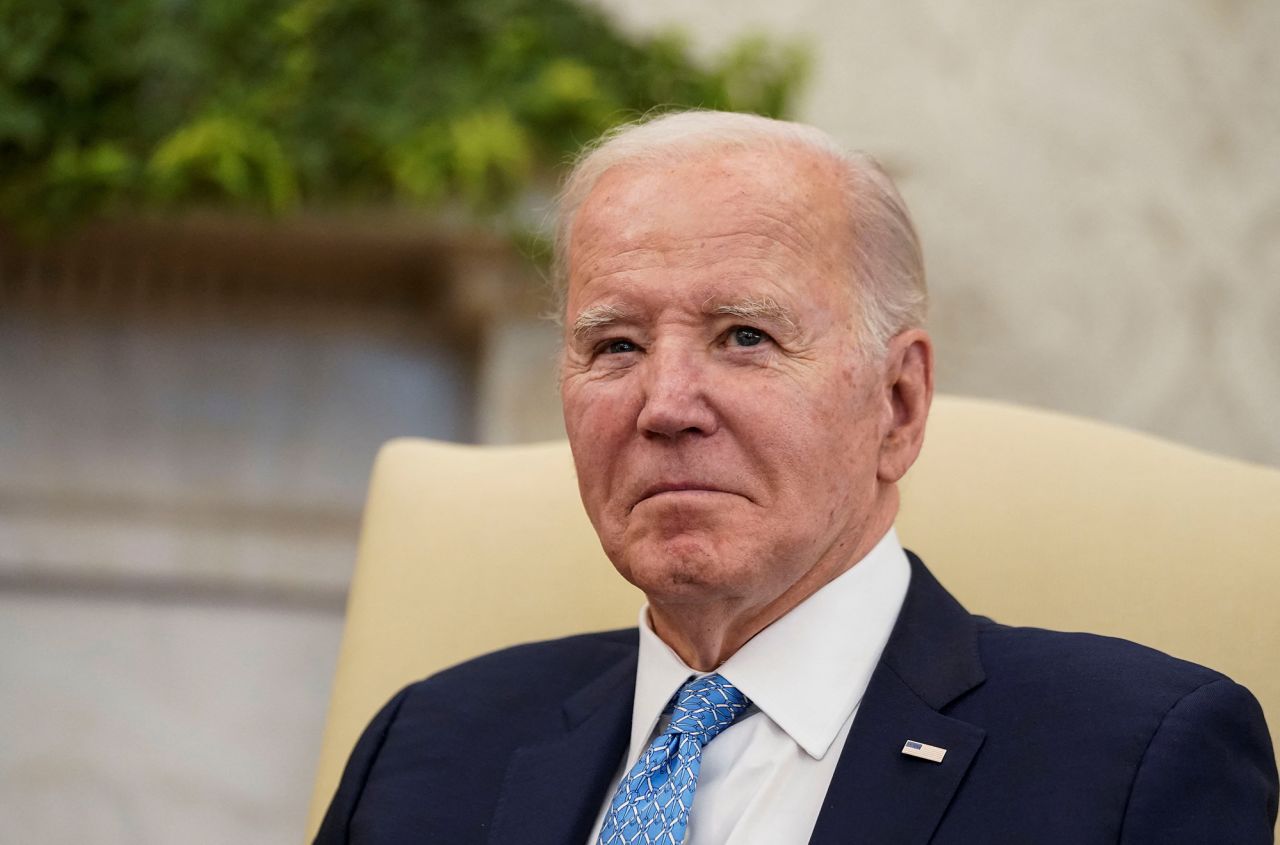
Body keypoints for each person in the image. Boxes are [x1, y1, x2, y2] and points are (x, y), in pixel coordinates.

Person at [315, 111, 1277, 844]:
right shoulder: (425, 747)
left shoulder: (1134, 758)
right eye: (615, 343)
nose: (666, 404)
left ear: (896, 405)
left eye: (745, 336)